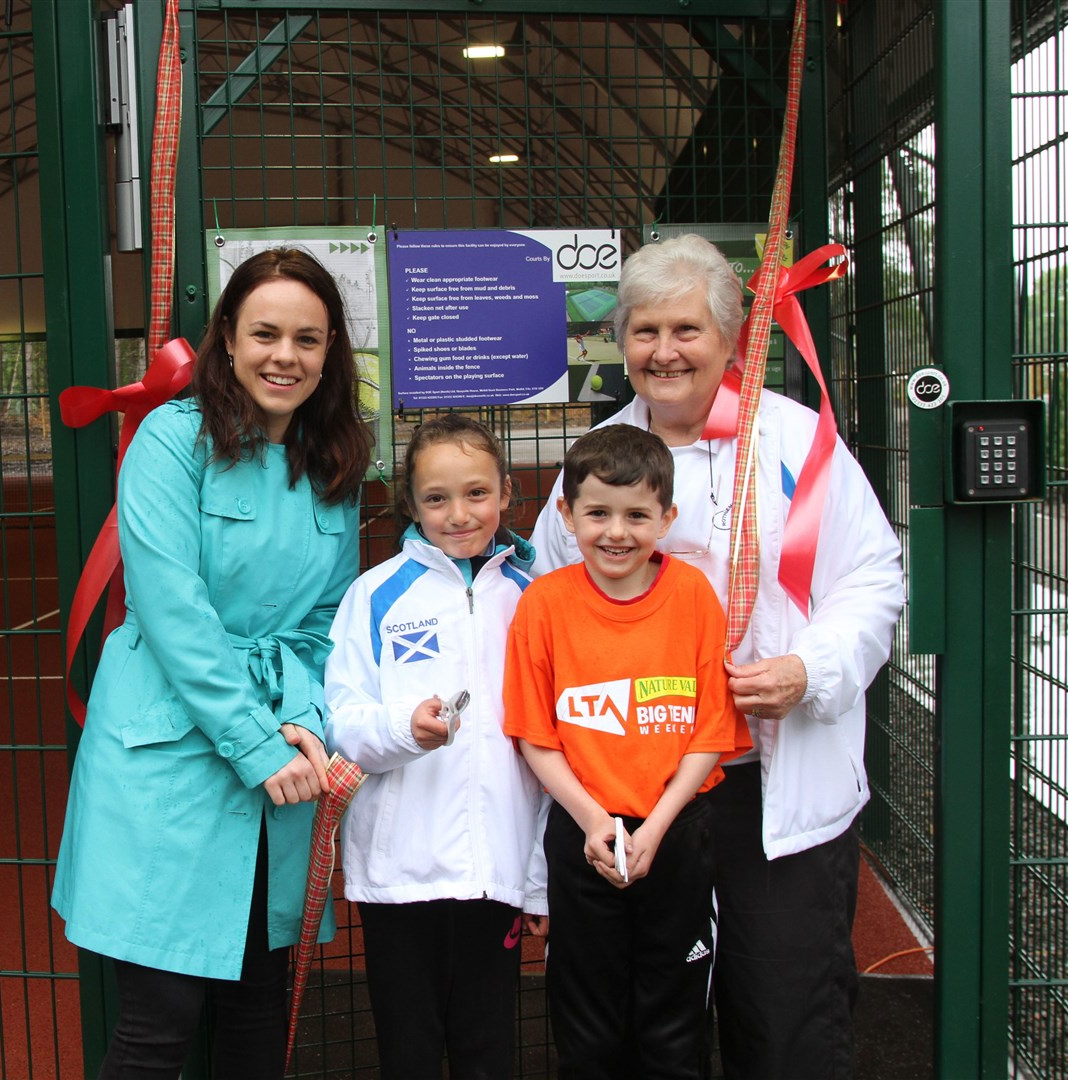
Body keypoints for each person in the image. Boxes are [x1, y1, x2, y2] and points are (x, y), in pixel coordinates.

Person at [529, 234, 904, 1080]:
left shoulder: (799, 445)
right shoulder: (590, 470)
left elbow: (873, 578)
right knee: (651, 1033)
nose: (664, 352)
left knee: (785, 1024)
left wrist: (809, 669)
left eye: (686, 330)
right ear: (620, 341)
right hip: (638, 796)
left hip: (773, 790)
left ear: (732, 339)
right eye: (645, 330)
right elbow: (551, 619)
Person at [50, 247, 371, 1078]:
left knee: (259, 1007)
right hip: (171, 751)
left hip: (281, 759)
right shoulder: (172, 437)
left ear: (331, 349)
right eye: (265, 333)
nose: (284, 356)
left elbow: (325, 620)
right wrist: (258, 745)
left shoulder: (333, 459)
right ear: (227, 337)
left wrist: (300, 721)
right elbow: (169, 609)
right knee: (160, 1024)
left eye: (308, 338)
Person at [504, 423, 750, 1079]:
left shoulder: (694, 595)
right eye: (598, 513)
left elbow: (710, 732)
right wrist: (594, 823)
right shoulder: (545, 606)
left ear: (667, 518)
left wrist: (658, 825)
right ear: (566, 514)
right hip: (585, 833)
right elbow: (536, 736)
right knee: (588, 1028)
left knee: (674, 1029)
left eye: (638, 515)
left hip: (678, 829)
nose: (617, 532)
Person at [324, 414, 548, 1079]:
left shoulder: (535, 599)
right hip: (399, 876)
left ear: (506, 492)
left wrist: (539, 873)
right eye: (436, 498)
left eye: (477, 493)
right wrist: (402, 729)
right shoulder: (374, 596)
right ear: (411, 505)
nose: (459, 514)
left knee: (488, 1052)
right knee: (409, 1053)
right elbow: (343, 719)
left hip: (499, 870)